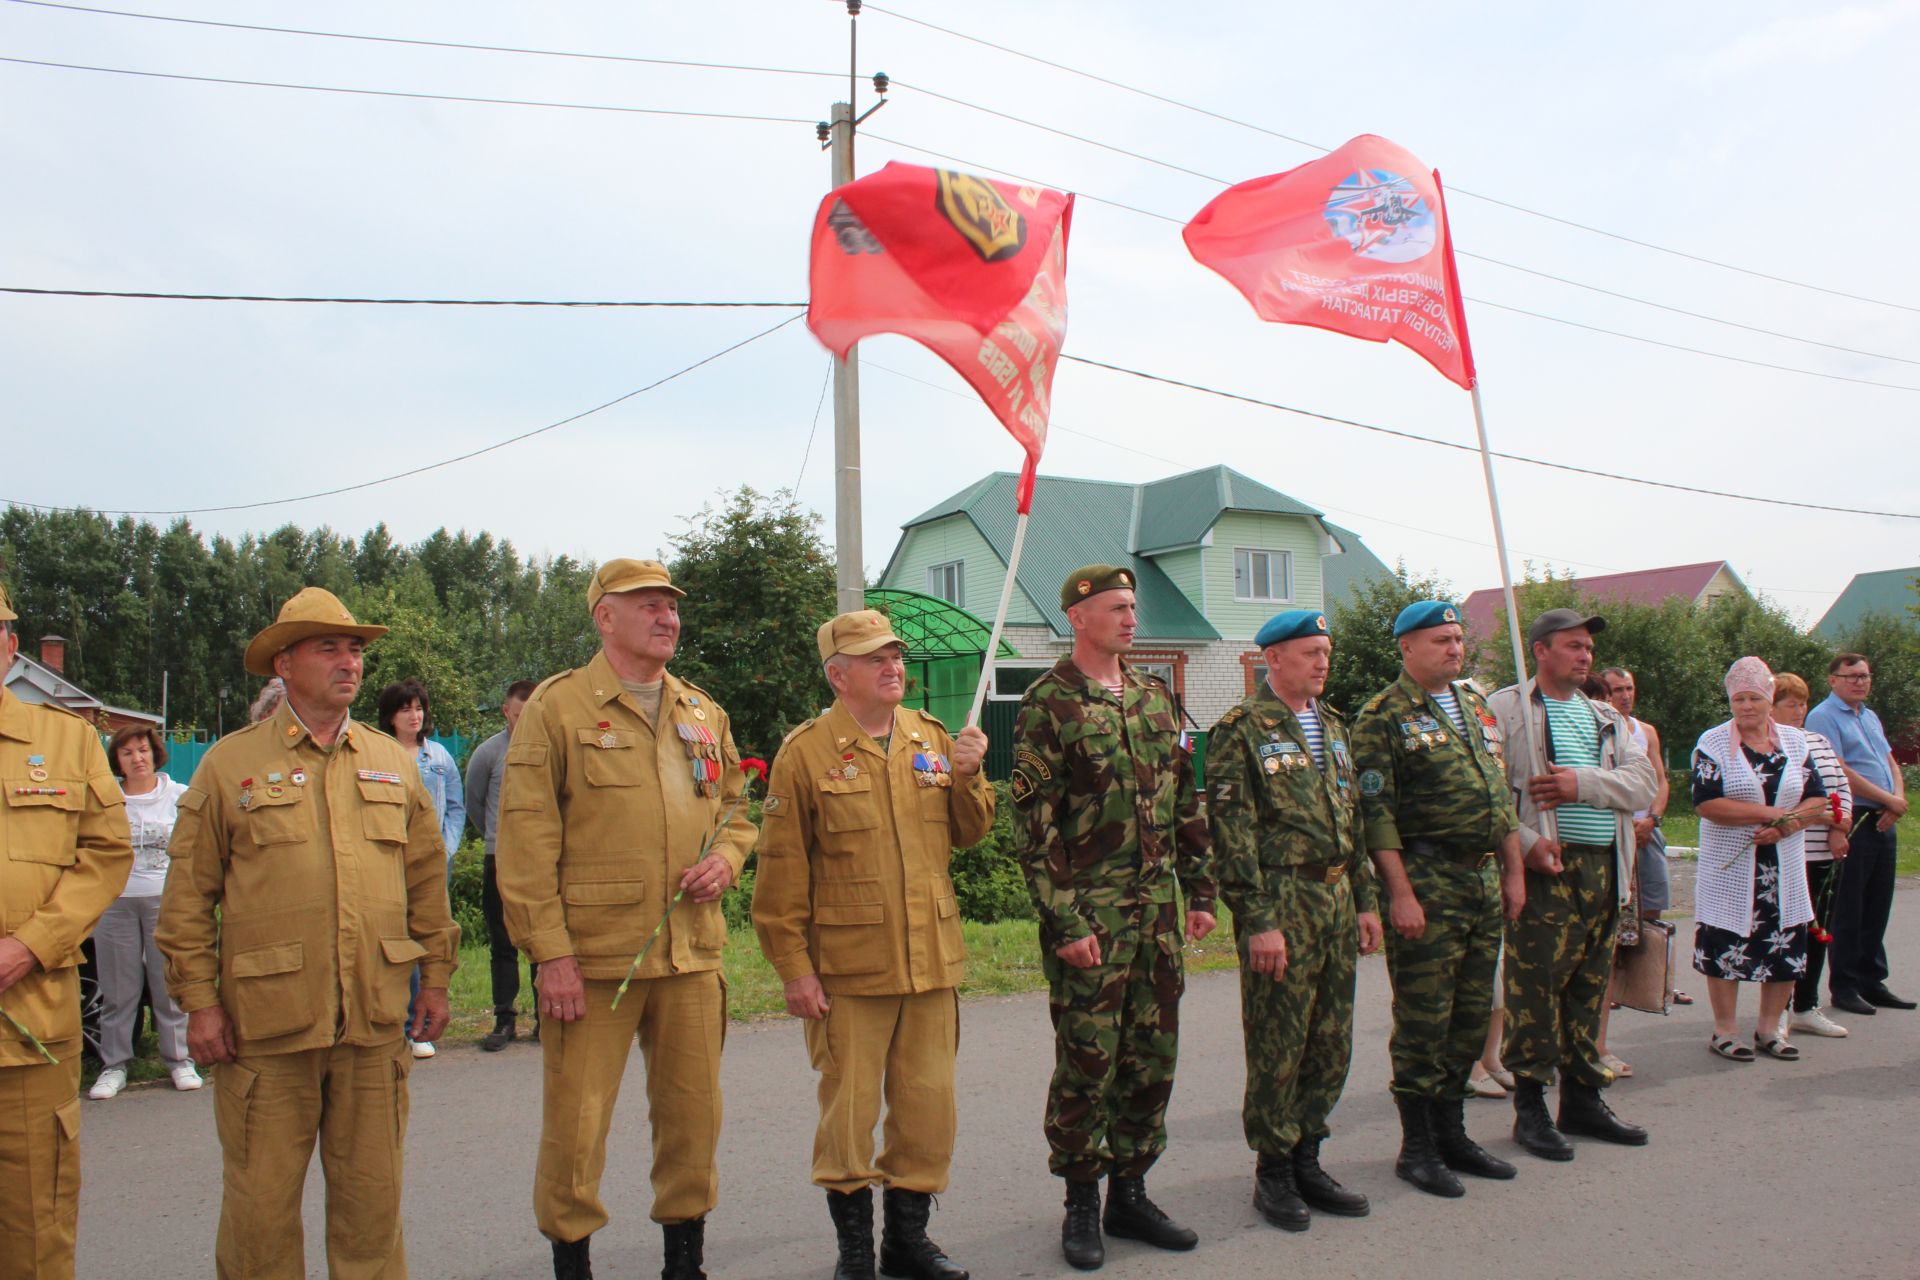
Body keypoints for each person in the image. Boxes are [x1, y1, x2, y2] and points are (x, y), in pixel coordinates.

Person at [156, 586, 460, 1278]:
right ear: (284, 664)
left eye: (354, 649)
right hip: (266, 1032)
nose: (349, 661)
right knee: (259, 1220)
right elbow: (186, 901)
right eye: (329, 647)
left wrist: (437, 977)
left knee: (373, 1218)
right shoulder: (228, 765)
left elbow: (425, 886)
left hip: (373, 1026)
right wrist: (199, 1003)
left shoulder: (393, 762)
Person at [496, 559, 754, 1280]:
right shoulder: (558, 709)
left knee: (693, 1120)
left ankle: (685, 1264)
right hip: (593, 960)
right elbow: (524, 844)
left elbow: (737, 811)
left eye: (671, 606)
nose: (667, 617)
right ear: (604, 617)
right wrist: (549, 955)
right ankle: (572, 1264)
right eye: (648, 605)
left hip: (691, 955)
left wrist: (729, 859)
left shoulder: (702, 711)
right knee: (577, 1129)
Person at [753, 609, 994, 1280]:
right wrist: (794, 970)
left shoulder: (931, 737)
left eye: (894, 655)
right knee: (848, 1118)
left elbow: (970, 832)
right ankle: (855, 1252)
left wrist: (971, 774)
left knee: (927, 1111)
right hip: (848, 972)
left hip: (930, 961)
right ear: (838, 675)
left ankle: (906, 1243)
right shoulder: (805, 752)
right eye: (872, 658)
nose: (892, 666)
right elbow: (779, 879)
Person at [1008, 565, 1217, 1272]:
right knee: (1087, 1063)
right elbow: (1035, 832)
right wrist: (1066, 925)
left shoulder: (1157, 699)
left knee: (1151, 1059)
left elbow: (1186, 801)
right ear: (1077, 615)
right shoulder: (1048, 704)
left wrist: (1203, 892)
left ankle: (1130, 1191)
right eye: (1117, 607)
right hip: (1091, 921)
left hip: (1157, 917)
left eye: (1134, 607)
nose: (1131, 618)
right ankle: (1078, 1203)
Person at [1205, 609, 1383, 1232]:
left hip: (1334, 898)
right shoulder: (1241, 729)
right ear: (1273, 659)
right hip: (1281, 900)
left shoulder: (1334, 725)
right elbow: (1231, 834)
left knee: (1331, 1037)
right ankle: (1273, 1171)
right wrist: (1257, 919)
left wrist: (1365, 900)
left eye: (1326, 651)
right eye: (1311, 652)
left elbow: (1351, 820)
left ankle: (1309, 1155)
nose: (1323, 662)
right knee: (1280, 1038)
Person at [1351, 600, 1523, 1199]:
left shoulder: (1474, 706)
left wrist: (1513, 872)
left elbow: (1497, 795)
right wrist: (1399, 893)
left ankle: (1453, 1133)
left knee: (1471, 1015)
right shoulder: (1383, 715)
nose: (1454, 648)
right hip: (1426, 881)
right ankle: (1417, 1145)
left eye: (1457, 638)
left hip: (1479, 882)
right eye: (1439, 640)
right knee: (1424, 1018)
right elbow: (1377, 814)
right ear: (1407, 648)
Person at [1487, 608, 1657, 1159]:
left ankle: (1583, 1098)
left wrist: (1580, 783)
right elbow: (1486, 793)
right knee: (1534, 989)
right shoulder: (1506, 710)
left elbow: (1642, 784)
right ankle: (1531, 1107)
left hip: (1603, 864)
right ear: (1540, 650)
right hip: (1544, 867)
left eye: (1587, 647)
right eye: (1573, 646)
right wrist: (1527, 843)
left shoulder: (1606, 717)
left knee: (1590, 986)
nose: (1585, 656)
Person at [0, 583, 132, 1279]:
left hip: (29, 1035)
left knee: (35, 1232)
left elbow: (106, 853)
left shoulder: (68, 739)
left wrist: (32, 944)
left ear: (11, 648)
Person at [1691, 657, 1832, 1061]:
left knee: (1785, 945)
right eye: (1739, 699)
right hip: (1732, 867)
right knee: (1726, 944)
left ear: (1770, 700)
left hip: (1783, 865)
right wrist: (1770, 815)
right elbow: (1706, 803)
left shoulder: (1795, 741)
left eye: (1755, 698)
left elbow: (1818, 797)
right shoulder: (1713, 742)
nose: (1747, 706)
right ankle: (1725, 1030)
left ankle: (1770, 1029)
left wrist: (1787, 825)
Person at [88, 725, 199, 1100]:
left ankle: (179, 1060)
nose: (137, 759)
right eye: (127, 753)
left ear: (154, 753)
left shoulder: (179, 796)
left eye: (143, 750)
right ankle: (114, 1065)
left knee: (168, 984)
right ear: (117, 761)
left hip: (163, 902)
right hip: (115, 903)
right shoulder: (107, 799)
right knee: (119, 990)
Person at [1806, 653, 1912, 1015]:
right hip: (1857, 815)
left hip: (1884, 811)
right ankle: (1846, 985)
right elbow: (1838, 769)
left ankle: (1872, 980)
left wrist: (1896, 799)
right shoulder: (1823, 716)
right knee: (1848, 905)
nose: (1859, 682)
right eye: (1850, 676)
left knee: (1877, 901)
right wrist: (1886, 800)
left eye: (1864, 675)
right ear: (1833, 680)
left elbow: (1889, 760)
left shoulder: (1869, 716)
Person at [1594, 666, 1678, 1077]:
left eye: (1629, 688)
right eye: (1616, 690)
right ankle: (1610, 991)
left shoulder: (1645, 730)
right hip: (1615, 833)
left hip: (1647, 830)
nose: (1624, 696)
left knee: (1653, 907)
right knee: (1613, 918)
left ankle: (1647, 982)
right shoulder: (1600, 728)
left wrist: (1654, 820)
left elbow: (1660, 779)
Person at [377, 678, 466, 1061]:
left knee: (428, 940)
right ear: (390, 716)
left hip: (430, 865)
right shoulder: (377, 755)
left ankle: (421, 1027)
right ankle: (395, 1023)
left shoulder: (439, 757)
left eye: (418, 708)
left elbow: (458, 808)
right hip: (387, 864)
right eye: (405, 709)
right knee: (394, 943)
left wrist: (444, 850)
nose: (414, 716)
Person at [1771, 672, 1853, 1038]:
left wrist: (1839, 826)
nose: (1800, 710)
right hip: (1788, 854)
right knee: (1786, 933)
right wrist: (1816, 815)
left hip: (1823, 852)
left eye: (1803, 703)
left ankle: (1806, 1005)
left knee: (1819, 930)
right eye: (1792, 703)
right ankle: (1778, 1010)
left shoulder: (1817, 741)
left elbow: (1840, 788)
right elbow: (1781, 803)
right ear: (1771, 707)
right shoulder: (1771, 745)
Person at [464, 678, 539, 1052]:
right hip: (500, 857)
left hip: (542, 859)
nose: (525, 723)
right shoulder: (488, 753)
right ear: (505, 712)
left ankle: (548, 1016)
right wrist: (498, 838)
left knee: (545, 938)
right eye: (519, 715)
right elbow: (475, 805)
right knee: (502, 941)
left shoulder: (551, 749)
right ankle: (505, 1018)